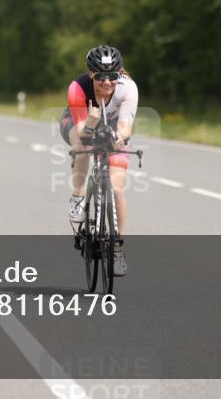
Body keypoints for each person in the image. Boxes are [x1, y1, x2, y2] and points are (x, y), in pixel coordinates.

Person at [58, 45, 138, 277]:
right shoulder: (78, 88)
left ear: (119, 74)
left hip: (113, 130)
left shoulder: (128, 88)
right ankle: (78, 197)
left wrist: (117, 139)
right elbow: (82, 131)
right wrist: (92, 121)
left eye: (112, 76)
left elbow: (125, 127)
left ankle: (117, 249)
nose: (106, 82)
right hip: (79, 124)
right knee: (82, 145)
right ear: (90, 73)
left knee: (117, 188)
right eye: (100, 76)